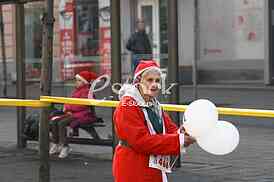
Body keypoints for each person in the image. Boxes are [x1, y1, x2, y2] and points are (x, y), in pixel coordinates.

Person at [112, 60, 196, 182]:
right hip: (133, 165)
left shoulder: (154, 104)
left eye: (157, 80)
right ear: (138, 82)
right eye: (149, 80)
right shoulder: (127, 106)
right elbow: (140, 141)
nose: (155, 84)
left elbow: (169, 129)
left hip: (151, 165)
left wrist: (182, 132)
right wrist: (179, 140)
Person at [49, 70, 97, 158]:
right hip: (74, 114)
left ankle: (64, 146)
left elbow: (82, 106)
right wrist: (67, 107)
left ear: (84, 82)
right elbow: (69, 101)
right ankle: (55, 143)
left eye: (79, 80)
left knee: (61, 123)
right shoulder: (77, 91)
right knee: (55, 121)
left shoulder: (87, 92)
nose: (76, 82)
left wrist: (69, 108)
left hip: (83, 115)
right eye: (76, 80)